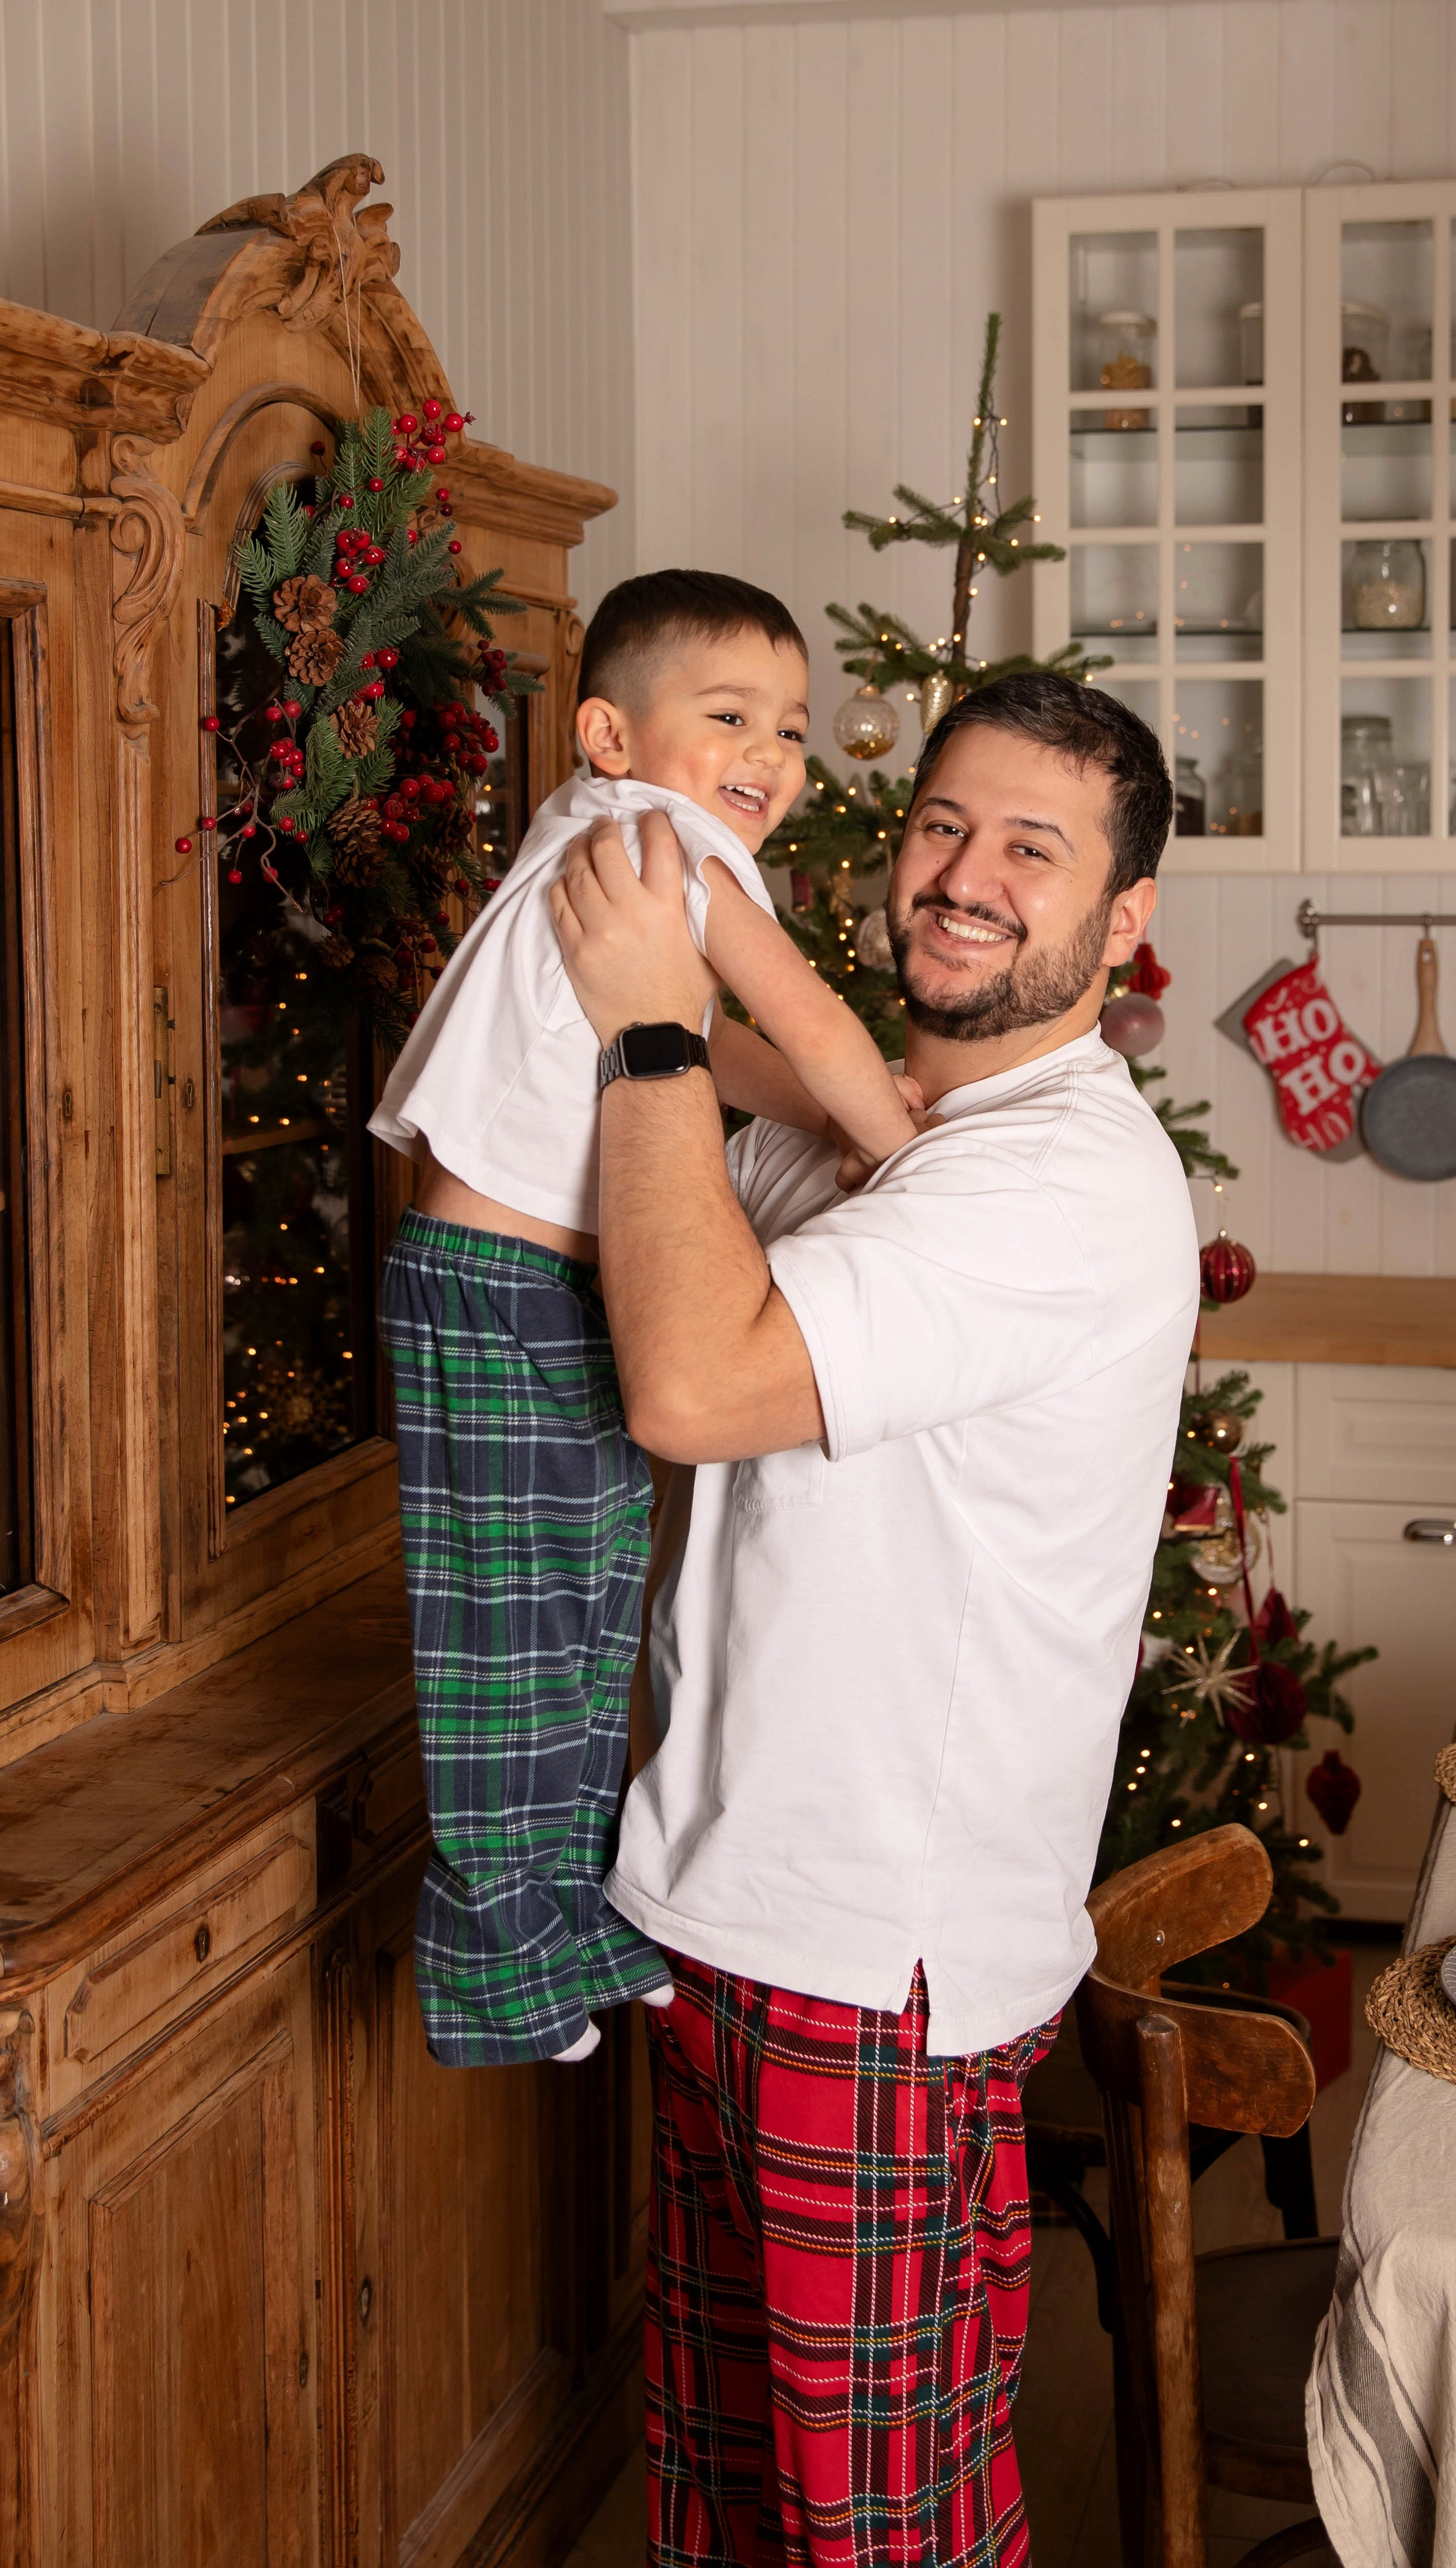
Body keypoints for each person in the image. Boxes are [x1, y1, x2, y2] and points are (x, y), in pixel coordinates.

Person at [549, 670, 1200, 2568]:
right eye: (939, 825)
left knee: (874, 2536)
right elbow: (766, 1148)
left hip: (870, 1971)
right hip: (749, 1924)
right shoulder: (923, 1147)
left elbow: (688, 1381)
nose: (965, 876)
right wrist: (706, 1014)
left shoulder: (1056, 1181)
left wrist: (657, 1033)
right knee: (738, 2507)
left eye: (1032, 848)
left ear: (1123, 921)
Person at [368, 571, 919, 2068]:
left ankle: (560, 1906)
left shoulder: (622, 845)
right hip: (502, 1287)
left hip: (540, 1288)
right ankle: (503, 1952)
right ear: (611, 732)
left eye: (794, 730)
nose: (772, 755)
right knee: (519, 1625)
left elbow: (720, 1048)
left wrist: (848, 1114)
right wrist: (910, 1142)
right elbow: (794, 1011)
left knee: (589, 1600)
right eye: (728, 715)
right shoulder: (660, 837)